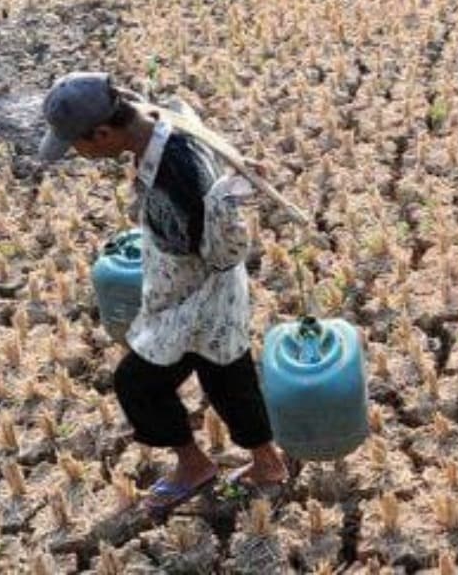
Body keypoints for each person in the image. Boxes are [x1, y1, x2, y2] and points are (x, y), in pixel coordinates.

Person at [37, 72, 291, 518]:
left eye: (79, 146)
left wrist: (221, 202)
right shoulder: (147, 116)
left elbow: (216, 250)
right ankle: (267, 463)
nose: (81, 155)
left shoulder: (177, 172)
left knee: (138, 384)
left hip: (196, 296)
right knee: (225, 374)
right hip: (199, 293)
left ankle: (194, 466)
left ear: (103, 132)